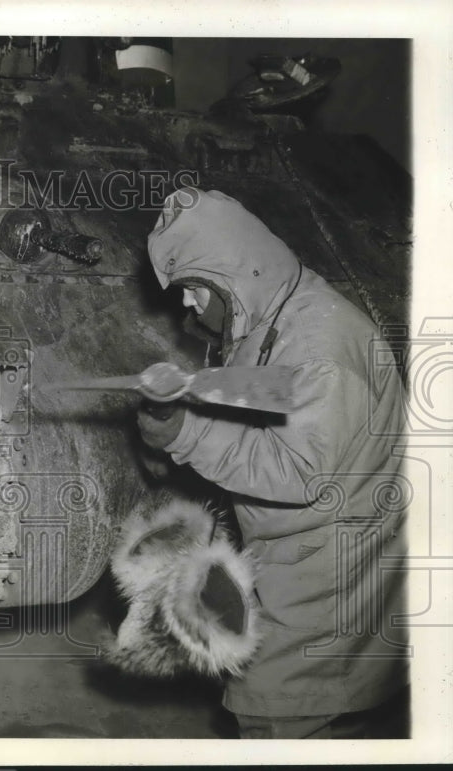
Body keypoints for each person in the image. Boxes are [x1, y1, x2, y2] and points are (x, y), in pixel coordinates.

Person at [138, 187, 408, 739]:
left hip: (321, 582)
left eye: (193, 288)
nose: (187, 304)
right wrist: (194, 393)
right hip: (300, 561)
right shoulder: (279, 310)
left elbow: (303, 471)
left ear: (233, 273)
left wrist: (187, 433)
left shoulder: (320, 349)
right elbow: (271, 395)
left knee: (275, 717)